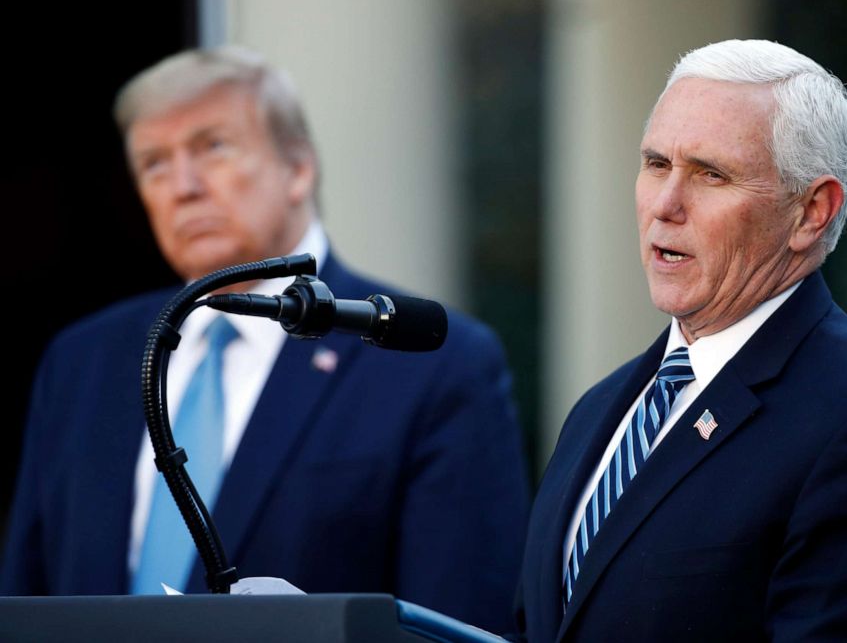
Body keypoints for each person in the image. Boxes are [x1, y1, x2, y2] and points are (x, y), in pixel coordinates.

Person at [0, 46, 530, 633]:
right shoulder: (83, 361)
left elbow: (454, 625)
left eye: (213, 147)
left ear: (298, 166)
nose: (184, 186)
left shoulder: (433, 362)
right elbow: (25, 596)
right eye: (154, 163)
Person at [516, 39, 847, 641]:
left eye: (712, 174)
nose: (665, 204)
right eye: (656, 164)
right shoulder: (600, 408)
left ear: (812, 211)